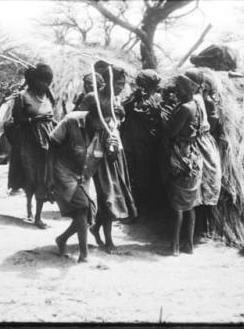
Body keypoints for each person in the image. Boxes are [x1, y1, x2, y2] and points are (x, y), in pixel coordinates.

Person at [46, 99, 121, 262]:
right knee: (82, 208)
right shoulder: (72, 120)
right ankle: (83, 253)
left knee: (88, 215)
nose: (104, 125)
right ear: (91, 116)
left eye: (107, 121)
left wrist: (113, 151)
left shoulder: (108, 130)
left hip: (84, 174)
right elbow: (52, 144)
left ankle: (62, 239)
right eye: (100, 121)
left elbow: (111, 159)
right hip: (64, 170)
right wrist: (50, 176)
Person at [77, 64, 138, 252]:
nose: (121, 87)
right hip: (97, 153)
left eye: (124, 84)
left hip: (114, 150)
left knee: (116, 190)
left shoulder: (116, 98)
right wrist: (96, 127)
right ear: (109, 81)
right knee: (106, 193)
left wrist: (117, 119)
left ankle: (97, 228)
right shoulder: (91, 98)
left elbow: (118, 121)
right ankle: (108, 239)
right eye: (119, 83)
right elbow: (77, 121)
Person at [159, 75, 206, 256]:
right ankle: (189, 245)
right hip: (192, 156)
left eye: (179, 87)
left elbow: (171, 133)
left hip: (181, 157)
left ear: (188, 88)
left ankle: (175, 245)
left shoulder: (185, 108)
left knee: (178, 205)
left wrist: (162, 117)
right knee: (191, 204)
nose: (176, 90)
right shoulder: (196, 105)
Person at [8, 63, 56, 229]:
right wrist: (31, 121)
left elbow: (52, 114)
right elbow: (16, 119)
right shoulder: (22, 96)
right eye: (43, 81)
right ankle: (29, 208)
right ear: (34, 81)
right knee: (31, 176)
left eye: (48, 82)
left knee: (44, 177)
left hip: (47, 141)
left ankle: (38, 216)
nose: (46, 85)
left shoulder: (49, 96)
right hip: (28, 142)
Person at [183, 67, 223, 243]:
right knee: (196, 188)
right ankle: (195, 230)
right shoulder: (194, 101)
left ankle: (200, 229)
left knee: (202, 187)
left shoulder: (203, 102)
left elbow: (213, 123)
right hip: (202, 143)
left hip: (202, 145)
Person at [120, 69, 166, 222]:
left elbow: (161, 120)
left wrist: (151, 112)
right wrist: (134, 99)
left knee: (144, 178)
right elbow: (122, 109)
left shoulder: (158, 98)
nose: (140, 86)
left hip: (147, 144)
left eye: (143, 83)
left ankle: (143, 212)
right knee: (132, 176)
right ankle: (133, 211)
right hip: (131, 142)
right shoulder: (134, 97)